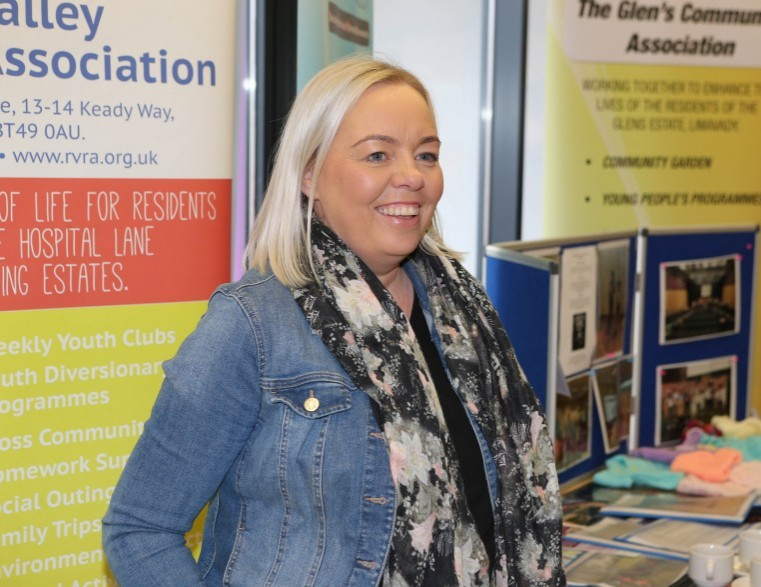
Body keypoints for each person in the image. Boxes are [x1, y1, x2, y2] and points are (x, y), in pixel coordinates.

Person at [102, 54, 565, 586]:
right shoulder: (252, 324)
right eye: (377, 155)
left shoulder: (465, 314)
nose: (411, 177)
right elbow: (139, 529)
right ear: (309, 175)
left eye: (426, 154)